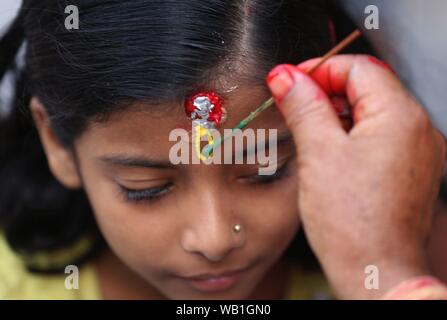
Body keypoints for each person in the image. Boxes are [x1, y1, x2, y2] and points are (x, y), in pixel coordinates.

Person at [0, 0, 446, 300]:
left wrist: (388, 272)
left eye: (265, 172)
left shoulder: (420, 246)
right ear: (57, 143)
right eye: (146, 188)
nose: (214, 240)